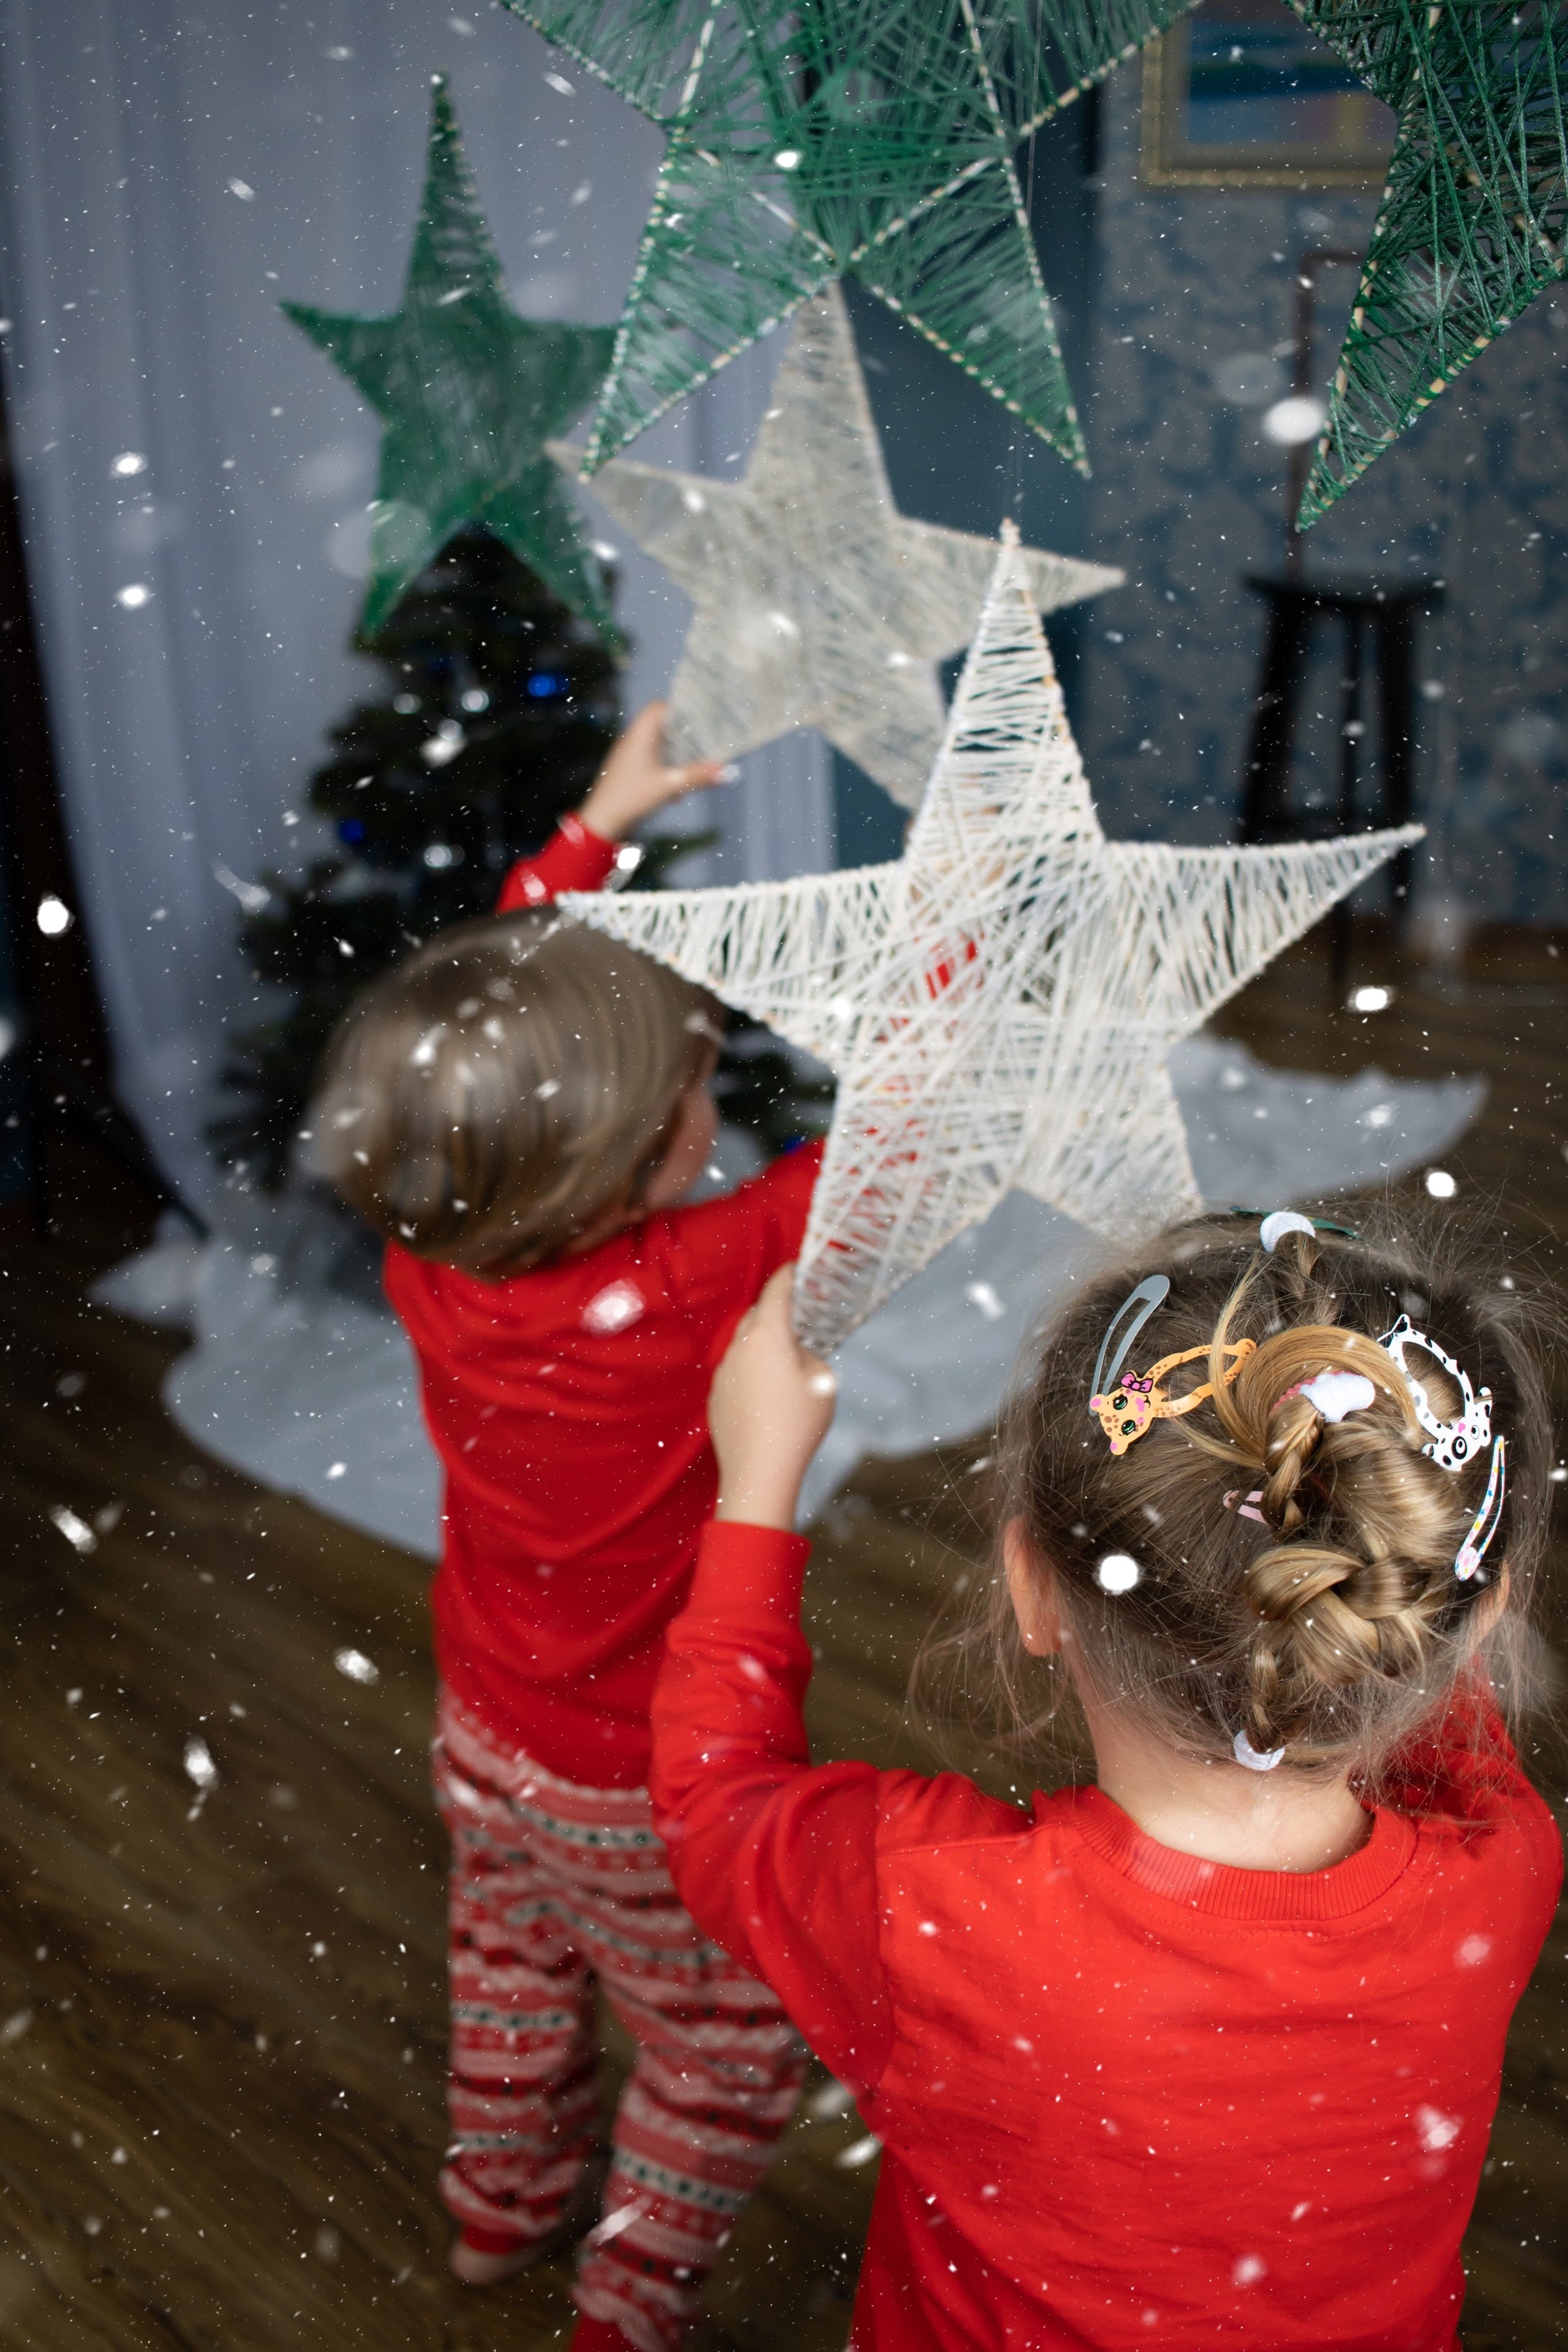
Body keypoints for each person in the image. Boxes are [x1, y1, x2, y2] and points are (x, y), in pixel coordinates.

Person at [649, 1210, 1562, 2351]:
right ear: (1478, 1619)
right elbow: (1415, 1639)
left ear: (1029, 1587)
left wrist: (758, 1484)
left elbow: (712, 1799)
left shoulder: (931, 1907)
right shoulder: (1503, 1863)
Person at [315, 705, 821, 2352]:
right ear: (625, 1168)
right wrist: (970, 975)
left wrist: (592, 832)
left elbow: (487, 1024)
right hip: (642, 1774)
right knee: (727, 2046)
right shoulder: (682, 1285)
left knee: (517, 1973)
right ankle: (629, 2294)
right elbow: (891, 1152)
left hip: (490, 1726)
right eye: (689, 1096)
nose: (709, 1103)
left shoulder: (435, 1249)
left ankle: (500, 2210)